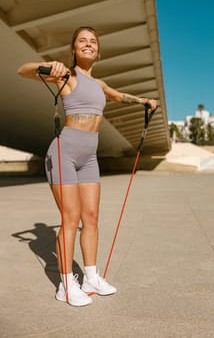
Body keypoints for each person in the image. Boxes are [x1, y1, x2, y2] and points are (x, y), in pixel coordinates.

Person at [17, 26, 156, 307]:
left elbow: (117, 96)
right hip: (63, 151)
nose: (88, 44)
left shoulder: (100, 85)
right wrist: (48, 66)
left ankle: (91, 276)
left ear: (98, 51)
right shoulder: (66, 75)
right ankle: (66, 284)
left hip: (89, 156)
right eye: (82, 41)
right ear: (73, 49)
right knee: (71, 218)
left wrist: (143, 101)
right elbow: (23, 70)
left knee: (90, 217)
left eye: (93, 41)